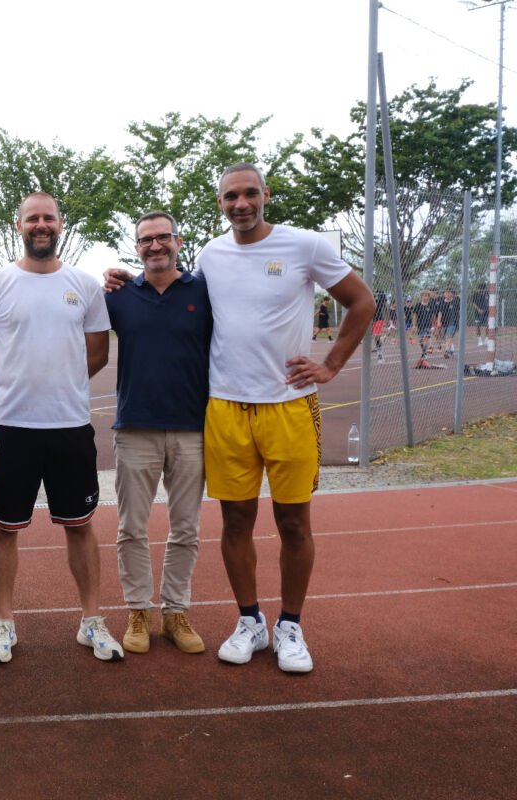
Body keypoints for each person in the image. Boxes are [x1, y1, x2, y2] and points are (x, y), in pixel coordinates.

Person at [196, 163, 372, 673]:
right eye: (231, 196)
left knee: (293, 521)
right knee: (235, 520)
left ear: (266, 195)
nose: (241, 203)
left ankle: (290, 625)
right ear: (220, 202)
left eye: (250, 193)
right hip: (225, 407)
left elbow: (361, 301)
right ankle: (249, 621)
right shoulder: (210, 254)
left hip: (289, 406)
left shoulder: (305, 246)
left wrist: (330, 364)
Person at [0, 191, 120, 665]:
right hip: (12, 429)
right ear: (18, 226)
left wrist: (63, 381)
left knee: (80, 526)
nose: (41, 225)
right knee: (5, 527)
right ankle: (3, 622)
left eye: (49, 218)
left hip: (69, 427)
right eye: (32, 218)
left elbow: (96, 353)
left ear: (60, 225)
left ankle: (91, 620)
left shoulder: (84, 285)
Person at [105, 211, 211, 657]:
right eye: (146, 240)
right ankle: (138, 611)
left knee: (186, 528)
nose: (155, 245)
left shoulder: (204, 291)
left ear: (178, 241)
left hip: (192, 429)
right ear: (137, 248)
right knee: (131, 528)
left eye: (162, 237)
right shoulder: (118, 296)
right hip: (135, 428)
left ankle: (175, 612)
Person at [413, 290, 437, 356]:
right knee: (420, 340)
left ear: (429, 297)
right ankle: (424, 350)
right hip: (420, 325)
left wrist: (434, 325)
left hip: (428, 324)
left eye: (426, 296)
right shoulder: (418, 305)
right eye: (423, 296)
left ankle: (425, 352)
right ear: (421, 297)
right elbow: (415, 316)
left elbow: (433, 315)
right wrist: (414, 325)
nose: (425, 297)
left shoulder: (431, 305)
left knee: (426, 337)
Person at [438, 288, 460, 358]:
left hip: (453, 322)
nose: (447, 294)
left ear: (452, 294)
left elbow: (460, 310)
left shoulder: (456, 301)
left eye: (449, 292)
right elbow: (440, 313)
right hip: (445, 322)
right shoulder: (442, 302)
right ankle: (451, 349)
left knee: (449, 336)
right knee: (446, 338)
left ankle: (447, 351)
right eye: (446, 292)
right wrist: (439, 322)